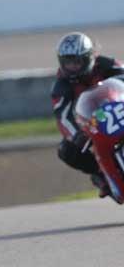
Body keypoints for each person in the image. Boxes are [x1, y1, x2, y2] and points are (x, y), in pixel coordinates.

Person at [51, 32, 124, 196]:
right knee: (66, 150)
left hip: (119, 109)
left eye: (77, 62)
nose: (72, 67)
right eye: (68, 63)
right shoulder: (61, 86)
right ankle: (101, 175)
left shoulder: (107, 64)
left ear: (89, 57)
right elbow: (63, 117)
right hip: (91, 124)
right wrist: (76, 134)